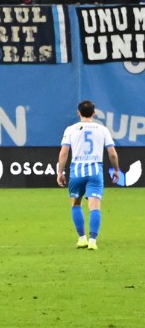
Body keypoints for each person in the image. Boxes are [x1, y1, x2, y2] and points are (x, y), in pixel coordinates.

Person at [58, 100, 120, 250]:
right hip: (95, 172)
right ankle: (93, 241)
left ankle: (82, 238)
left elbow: (64, 152)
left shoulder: (70, 129)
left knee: (76, 204)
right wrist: (116, 170)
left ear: (78, 112)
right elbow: (112, 153)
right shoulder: (102, 129)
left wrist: (60, 171)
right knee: (95, 207)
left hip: (76, 171)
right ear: (94, 113)